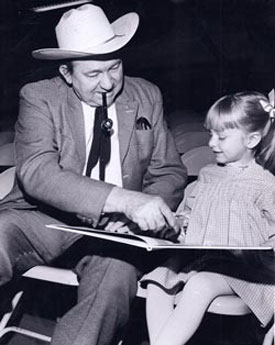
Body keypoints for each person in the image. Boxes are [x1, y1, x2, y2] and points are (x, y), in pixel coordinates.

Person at [0, 4, 187, 345]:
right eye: (92, 74)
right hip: (42, 221)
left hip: (116, 235)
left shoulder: (146, 95)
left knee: (115, 277)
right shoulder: (39, 97)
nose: (108, 83)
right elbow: (37, 172)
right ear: (66, 74)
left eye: (114, 67)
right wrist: (122, 201)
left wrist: (139, 214)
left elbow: (170, 171)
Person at [141, 91, 275, 345]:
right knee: (157, 281)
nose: (212, 143)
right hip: (201, 260)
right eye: (210, 133)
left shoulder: (265, 183)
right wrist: (176, 225)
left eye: (221, 137)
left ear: (252, 139)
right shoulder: (207, 174)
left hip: (246, 270)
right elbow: (189, 216)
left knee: (199, 285)